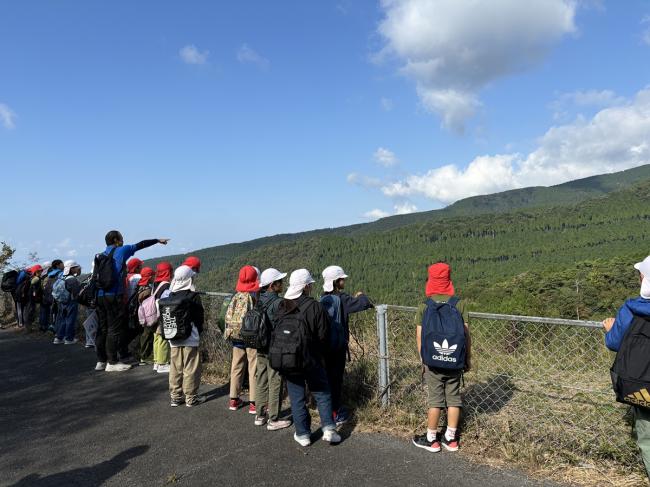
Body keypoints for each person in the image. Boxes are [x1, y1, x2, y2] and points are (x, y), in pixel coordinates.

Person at [412, 262, 472, 453]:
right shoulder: (459, 304)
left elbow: (420, 336)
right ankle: (451, 438)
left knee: (435, 400)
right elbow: (466, 336)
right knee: (454, 398)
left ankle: (431, 439)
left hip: (432, 362)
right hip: (454, 361)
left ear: (430, 280)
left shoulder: (425, 306)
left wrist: (423, 359)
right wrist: (467, 359)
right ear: (448, 280)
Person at [278, 269, 341, 447]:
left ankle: (303, 434)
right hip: (312, 358)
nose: (312, 287)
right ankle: (329, 429)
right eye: (310, 285)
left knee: (297, 396)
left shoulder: (283, 305)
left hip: (289, 358)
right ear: (305, 287)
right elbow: (323, 334)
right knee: (321, 392)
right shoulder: (315, 306)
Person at [94, 230, 169, 373]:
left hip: (100, 295)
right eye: (121, 238)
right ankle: (112, 362)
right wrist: (157, 240)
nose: (123, 240)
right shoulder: (122, 250)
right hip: (113, 294)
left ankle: (101, 361)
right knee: (113, 329)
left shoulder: (101, 255)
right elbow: (140, 245)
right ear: (116, 240)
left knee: (102, 328)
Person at [603, 256, 650, 478]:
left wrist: (610, 329)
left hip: (644, 385)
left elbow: (614, 342)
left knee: (649, 439)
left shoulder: (632, 309)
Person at [320, 265, 374, 425]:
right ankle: (336, 413)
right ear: (336, 282)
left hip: (325, 345)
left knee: (328, 377)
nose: (344, 281)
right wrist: (361, 295)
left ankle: (328, 408)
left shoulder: (323, 297)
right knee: (336, 379)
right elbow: (363, 304)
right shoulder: (342, 299)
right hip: (338, 346)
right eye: (342, 279)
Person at [255, 268, 292, 430]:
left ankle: (260, 414)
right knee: (275, 380)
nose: (282, 284)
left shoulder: (258, 299)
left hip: (259, 345)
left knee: (261, 378)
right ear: (272, 285)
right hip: (274, 347)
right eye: (279, 282)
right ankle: (274, 418)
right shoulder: (278, 302)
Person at [166, 265, 205, 407]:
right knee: (191, 367)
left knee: (175, 367)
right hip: (190, 337)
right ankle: (191, 397)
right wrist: (200, 331)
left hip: (173, 337)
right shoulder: (193, 296)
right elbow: (199, 318)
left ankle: (175, 396)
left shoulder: (171, 296)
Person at [226, 265, 260, 414]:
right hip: (251, 336)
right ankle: (254, 402)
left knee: (236, 366)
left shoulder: (236, 295)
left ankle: (233, 399)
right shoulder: (254, 296)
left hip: (235, 335)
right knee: (253, 367)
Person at [52, 260, 82, 345]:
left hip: (62, 301)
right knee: (70, 320)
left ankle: (58, 337)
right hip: (71, 302)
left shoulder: (61, 277)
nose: (77, 269)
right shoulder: (72, 279)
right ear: (71, 269)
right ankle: (69, 338)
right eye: (76, 268)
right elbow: (77, 293)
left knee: (62, 319)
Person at [152, 262, 173, 374]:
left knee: (156, 338)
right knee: (163, 339)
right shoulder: (166, 285)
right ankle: (162, 363)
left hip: (154, 314)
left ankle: (156, 362)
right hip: (162, 314)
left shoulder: (156, 283)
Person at [136, 267, 155, 365]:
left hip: (141, 315)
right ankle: (144, 357)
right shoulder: (148, 290)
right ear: (150, 276)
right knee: (147, 335)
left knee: (144, 335)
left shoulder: (139, 286)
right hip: (147, 316)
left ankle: (143, 355)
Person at [40, 260, 63, 332]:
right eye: (62, 264)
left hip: (48, 296)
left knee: (51, 311)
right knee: (58, 312)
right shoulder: (60, 273)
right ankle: (57, 329)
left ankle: (50, 326)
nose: (63, 265)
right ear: (58, 265)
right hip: (57, 296)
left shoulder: (49, 274)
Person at [24, 264, 44, 331]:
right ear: (36, 271)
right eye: (39, 271)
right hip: (31, 297)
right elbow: (33, 289)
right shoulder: (36, 278)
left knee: (29, 310)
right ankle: (28, 327)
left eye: (41, 270)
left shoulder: (32, 278)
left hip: (29, 297)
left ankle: (28, 326)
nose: (41, 272)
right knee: (30, 310)